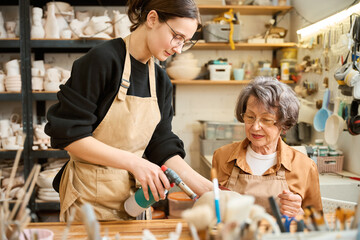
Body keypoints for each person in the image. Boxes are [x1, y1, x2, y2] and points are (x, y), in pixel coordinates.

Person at [45, 0, 212, 221]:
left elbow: (160, 143)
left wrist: (208, 190)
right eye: (177, 37)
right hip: (89, 200)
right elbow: (68, 135)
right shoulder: (102, 61)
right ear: (152, 19)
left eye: (185, 42)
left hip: (135, 203)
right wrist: (135, 163)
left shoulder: (161, 80)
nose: (178, 49)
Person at [212, 77, 322, 217]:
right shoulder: (222, 156)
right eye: (250, 117)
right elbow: (211, 211)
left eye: (266, 120)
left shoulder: (304, 166)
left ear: (284, 124)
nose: (255, 127)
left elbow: (317, 223)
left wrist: (299, 213)